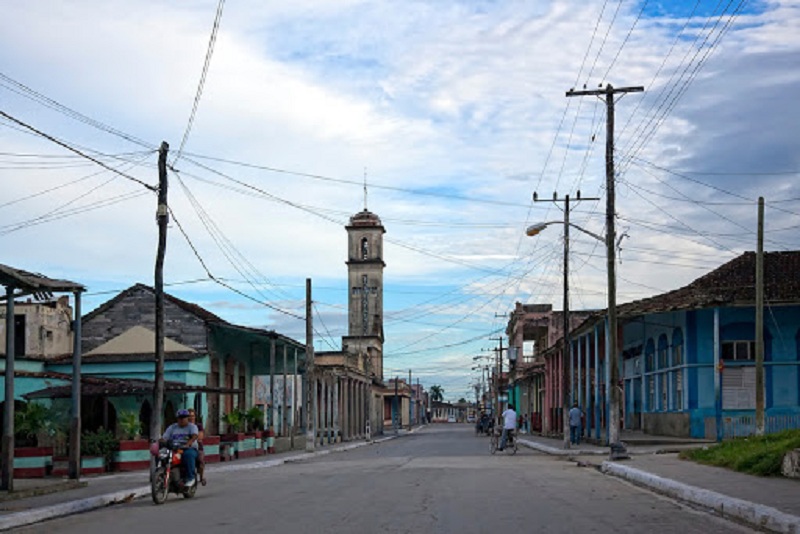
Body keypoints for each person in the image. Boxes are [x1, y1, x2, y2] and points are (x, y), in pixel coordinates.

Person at [161, 409, 199, 486]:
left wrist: (189, 443)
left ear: (187, 418)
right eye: (180, 418)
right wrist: (160, 441)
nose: (182, 419)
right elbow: (165, 437)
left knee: (188, 455)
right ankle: (160, 474)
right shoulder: (172, 427)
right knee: (162, 454)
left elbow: (195, 436)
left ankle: (190, 478)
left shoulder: (192, 427)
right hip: (174, 448)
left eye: (184, 417)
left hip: (188, 449)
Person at [187, 409, 205, 485]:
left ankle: (201, 477)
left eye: (192, 416)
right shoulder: (184, 426)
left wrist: (192, 439)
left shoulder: (198, 426)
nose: (191, 418)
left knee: (200, 460)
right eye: (189, 416)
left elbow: (200, 437)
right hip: (184, 446)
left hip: (197, 447)